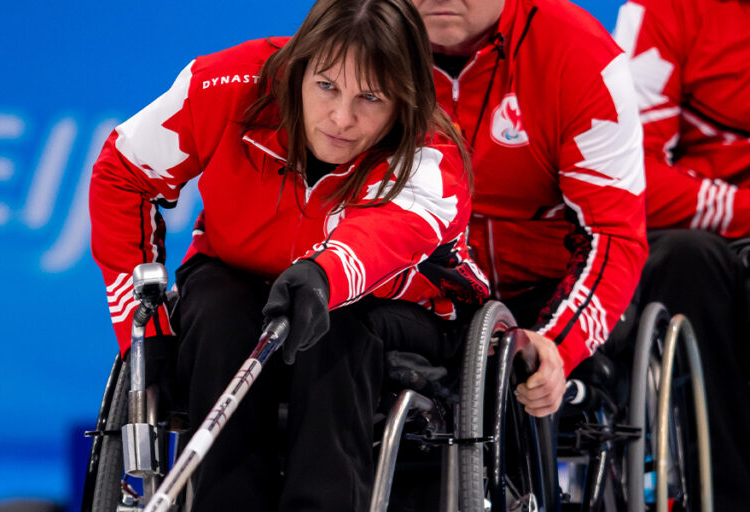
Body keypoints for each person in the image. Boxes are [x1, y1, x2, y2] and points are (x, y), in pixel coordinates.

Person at [89, 1, 489, 510]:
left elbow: (386, 232)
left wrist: (323, 277)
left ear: (404, 102)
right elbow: (122, 174)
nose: (342, 118)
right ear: (297, 70)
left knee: (337, 327)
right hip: (241, 275)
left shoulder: (430, 151)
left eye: (371, 97)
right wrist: (142, 334)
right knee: (215, 312)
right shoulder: (223, 87)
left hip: (389, 303)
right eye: (327, 87)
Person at [411, 0, 648, 417]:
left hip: (546, 294)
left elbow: (612, 234)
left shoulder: (578, 52)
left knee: (518, 378)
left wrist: (557, 343)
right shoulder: (362, 41)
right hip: (424, 293)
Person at [614, 0, 750, 506]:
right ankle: (723, 495)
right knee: (686, 260)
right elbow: (632, 174)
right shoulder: (665, 11)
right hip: (702, 235)